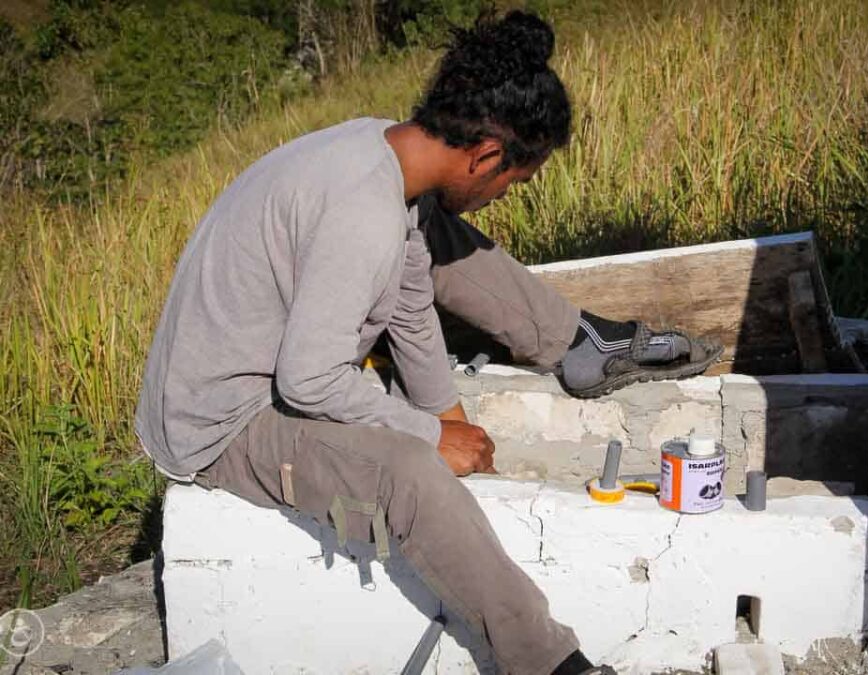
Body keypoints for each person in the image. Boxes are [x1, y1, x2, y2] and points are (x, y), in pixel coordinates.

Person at [135, 10, 721, 675]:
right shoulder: (364, 214)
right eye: (512, 181)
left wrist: (449, 414)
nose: (503, 196)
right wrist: (425, 434)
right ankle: (550, 664)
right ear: (488, 154)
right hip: (220, 425)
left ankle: (573, 342)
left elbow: (410, 300)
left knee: (439, 238)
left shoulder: (383, 153)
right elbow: (308, 380)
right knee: (412, 475)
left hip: (258, 368)